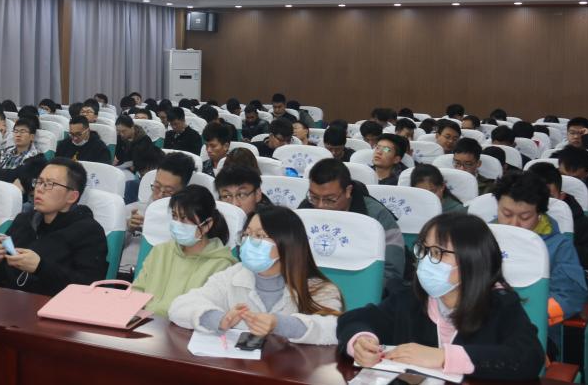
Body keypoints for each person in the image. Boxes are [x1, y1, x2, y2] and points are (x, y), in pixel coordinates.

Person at [337, 213, 545, 380]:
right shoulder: (409, 298)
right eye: (424, 250)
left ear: (471, 261)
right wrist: (361, 340)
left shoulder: (501, 306)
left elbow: (528, 358)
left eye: (437, 253)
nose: (426, 261)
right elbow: (355, 319)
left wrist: (444, 357)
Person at [169, 205, 343, 344]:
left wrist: (279, 324)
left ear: (287, 243)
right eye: (247, 234)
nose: (250, 242)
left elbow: (335, 329)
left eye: (260, 235)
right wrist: (219, 319)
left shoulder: (320, 288)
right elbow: (179, 306)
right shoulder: (233, 275)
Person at [0, 158, 107, 295]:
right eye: (39, 182)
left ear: (72, 197)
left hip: (52, 306)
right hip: (7, 301)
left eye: (49, 184)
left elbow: (88, 288)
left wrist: (40, 267)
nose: (39, 189)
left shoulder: (89, 232)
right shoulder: (24, 221)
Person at [492, 172, 588, 329]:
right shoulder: (483, 237)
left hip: (534, 327)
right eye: (506, 214)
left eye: (524, 217)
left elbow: (570, 296)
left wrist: (529, 315)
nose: (514, 224)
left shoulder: (559, 246)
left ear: (539, 213)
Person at [301, 159, 406, 294]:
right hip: (309, 290)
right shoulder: (305, 210)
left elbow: (392, 270)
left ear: (348, 191)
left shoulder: (376, 216)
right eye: (314, 197)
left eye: (330, 199)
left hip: (361, 290)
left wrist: (362, 292)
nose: (320, 206)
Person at [130, 185, 236, 317]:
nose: (177, 223)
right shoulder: (160, 252)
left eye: (184, 218)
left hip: (183, 327)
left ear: (207, 225)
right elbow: (137, 290)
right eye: (174, 216)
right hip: (144, 323)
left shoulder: (221, 266)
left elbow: (206, 314)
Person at [528, 162, 588, 273]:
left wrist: (562, 250)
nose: (540, 203)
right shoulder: (515, 218)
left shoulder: (575, 219)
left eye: (549, 197)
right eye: (533, 196)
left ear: (561, 196)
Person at [0, 118, 45, 198]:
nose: (18, 135)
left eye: (22, 131)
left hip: (18, 198)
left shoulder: (38, 159)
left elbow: (30, 184)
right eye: (16, 131)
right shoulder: (5, 152)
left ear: (32, 137)